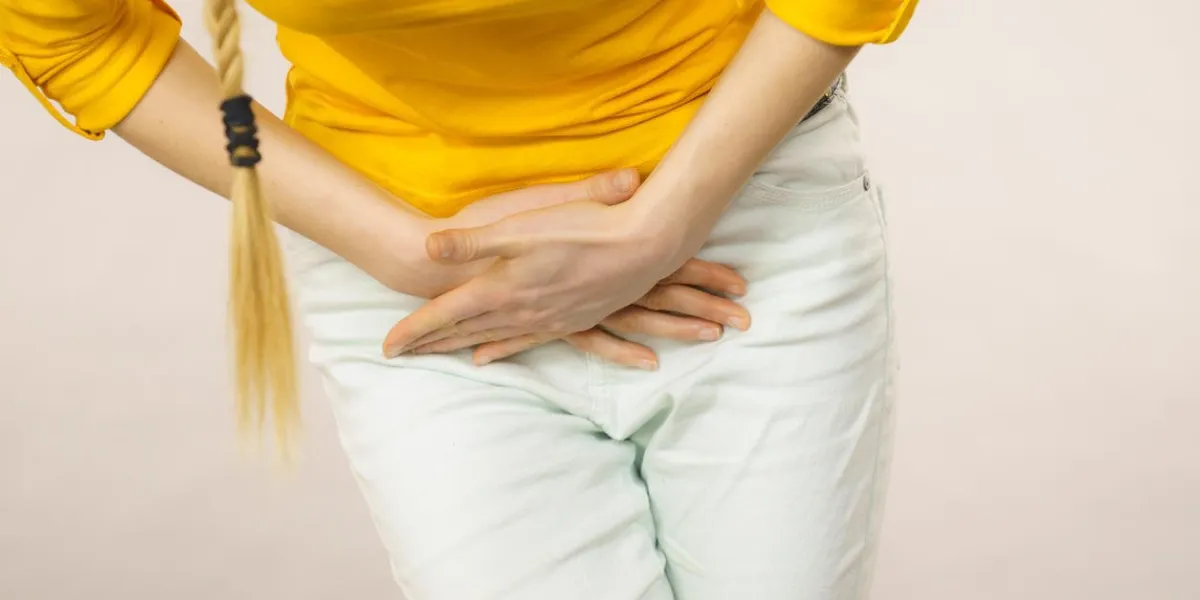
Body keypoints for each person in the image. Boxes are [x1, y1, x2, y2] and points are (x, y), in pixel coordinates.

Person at [1, 0, 915, 598]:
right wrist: (414, 253)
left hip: (737, 218)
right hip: (418, 288)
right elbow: (66, 28)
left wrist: (660, 228)